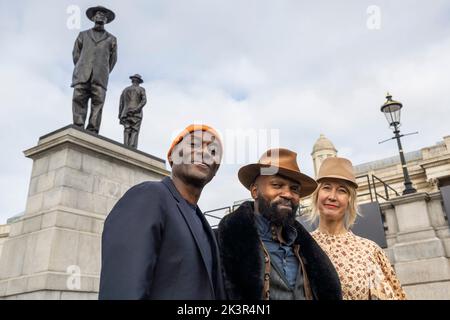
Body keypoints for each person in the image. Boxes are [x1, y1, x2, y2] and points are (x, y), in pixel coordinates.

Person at [99, 124, 225, 299]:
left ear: (216, 169)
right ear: (172, 155)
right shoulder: (149, 196)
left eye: (213, 151)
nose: (204, 152)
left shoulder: (202, 224)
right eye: (194, 144)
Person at [217, 148, 342, 300]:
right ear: (255, 191)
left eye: (294, 189)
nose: (288, 194)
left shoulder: (304, 248)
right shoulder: (224, 243)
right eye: (277, 185)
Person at [308, 156, 407, 300]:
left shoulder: (369, 250)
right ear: (317, 195)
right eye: (326, 188)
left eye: (342, 190)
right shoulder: (299, 245)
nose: (332, 196)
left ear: (350, 200)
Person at [71, 6, 118, 134]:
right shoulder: (83, 35)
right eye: (98, 14)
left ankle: (93, 129)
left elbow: (112, 60)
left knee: (98, 103)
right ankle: (78, 125)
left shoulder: (112, 39)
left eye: (104, 15)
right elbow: (76, 54)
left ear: (107, 20)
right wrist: (83, 66)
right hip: (82, 74)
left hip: (100, 77)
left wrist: (103, 71)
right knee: (79, 98)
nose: (101, 16)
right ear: (93, 17)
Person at [119, 74, 147, 148]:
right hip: (136, 113)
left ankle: (125, 145)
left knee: (127, 129)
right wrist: (136, 109)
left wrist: (120, 114)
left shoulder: (125, 90)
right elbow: (144, 101)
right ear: (139, 82)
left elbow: (121, 103)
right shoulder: (141, 89)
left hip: (125, 113)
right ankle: (132, 147)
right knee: (135, 130)